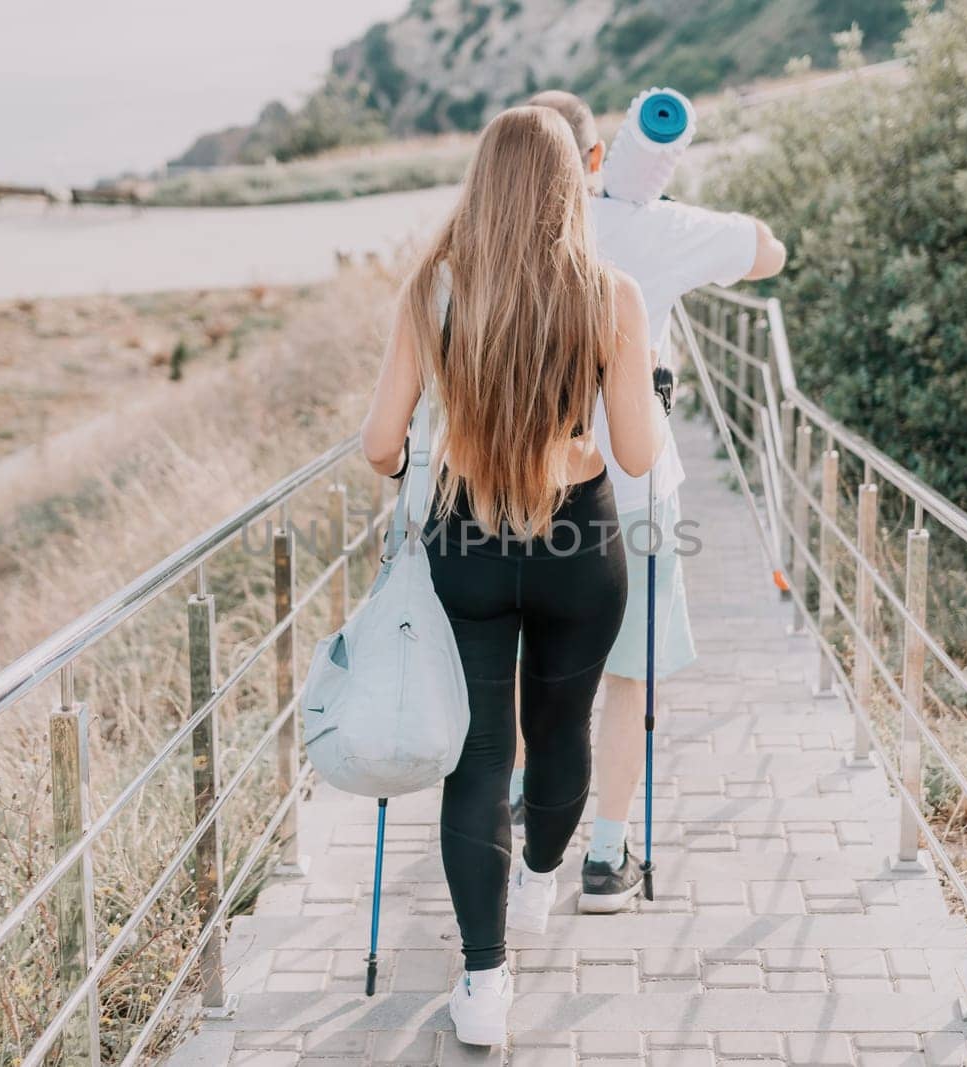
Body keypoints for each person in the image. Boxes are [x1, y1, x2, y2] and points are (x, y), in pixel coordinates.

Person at [360, 105, 666, 1048]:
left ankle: (483, 985)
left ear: (481, 182)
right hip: (578, 542)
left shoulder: (433, 290)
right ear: (574, 181)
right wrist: (640, 391)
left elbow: (379, 447)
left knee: (481, 757)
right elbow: (641, 455)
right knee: (561, 730)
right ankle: (539, 884)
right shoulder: (610, 297)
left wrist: (432, 446)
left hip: (468, 539)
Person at [513, 89, 787, 912]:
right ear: (597, 157)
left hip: (525, 493)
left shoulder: (500, 238)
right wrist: (661, 209)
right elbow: (768, 252)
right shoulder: (653, 230)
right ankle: (605, 856)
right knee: (630, 675)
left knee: (539, 662)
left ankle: (532, 797)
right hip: (632, 495)